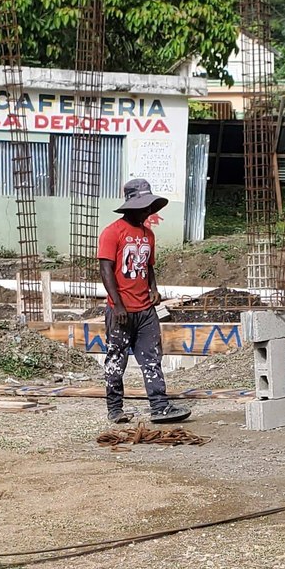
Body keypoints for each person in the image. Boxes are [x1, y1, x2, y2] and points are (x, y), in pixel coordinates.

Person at [97, 178, 189, 425]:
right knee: (117, 357)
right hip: (121, 310)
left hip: (146, 310)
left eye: (150, 207)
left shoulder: (148, 235)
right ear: (131, 206)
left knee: (151, 358)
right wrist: (118, 305)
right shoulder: (112, 233)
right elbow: (106, 270)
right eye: (144, 206)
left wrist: (154, 289)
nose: (148, 211)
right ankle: (115, 408)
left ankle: (159, 406)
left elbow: (148, 267)